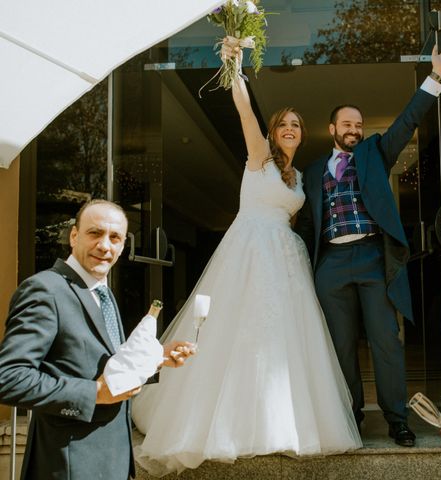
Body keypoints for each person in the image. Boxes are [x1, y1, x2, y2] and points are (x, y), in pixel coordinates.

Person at [131, 38, 362, 475]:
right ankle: (230, 425)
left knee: (284, 343)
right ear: (273, 133)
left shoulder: (296, 177)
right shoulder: (260, 158)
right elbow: (245, 113)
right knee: (242, 334)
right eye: (283, 124)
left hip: (286, 259)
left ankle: (285, 423)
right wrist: (234, 67)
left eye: (296, 123)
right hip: (251, 253)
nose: (290, 128)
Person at [294, 39, 441, 447]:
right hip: (330, 263)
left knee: (386, 340)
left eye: (358, 124)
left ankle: (396, 419)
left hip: (371, 257)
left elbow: (406, 122)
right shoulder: (312, 172)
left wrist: (435, 76)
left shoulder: (374, 153)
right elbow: (306, 224)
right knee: (340, 346)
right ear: (332, 129)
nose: (354, 129)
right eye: (346, 124)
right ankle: (348, 417)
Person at [0, 199, 195, 480]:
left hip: (111, 462)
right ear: (74, 236)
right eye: (95, 233)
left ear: (122, 247)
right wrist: (93, 394)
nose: (105, 246)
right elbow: (10, 378)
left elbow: (105, 366)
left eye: (115, 237)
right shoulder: (45, 290)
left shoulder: (103, 292)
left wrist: (156, 359)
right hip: (69, 465)